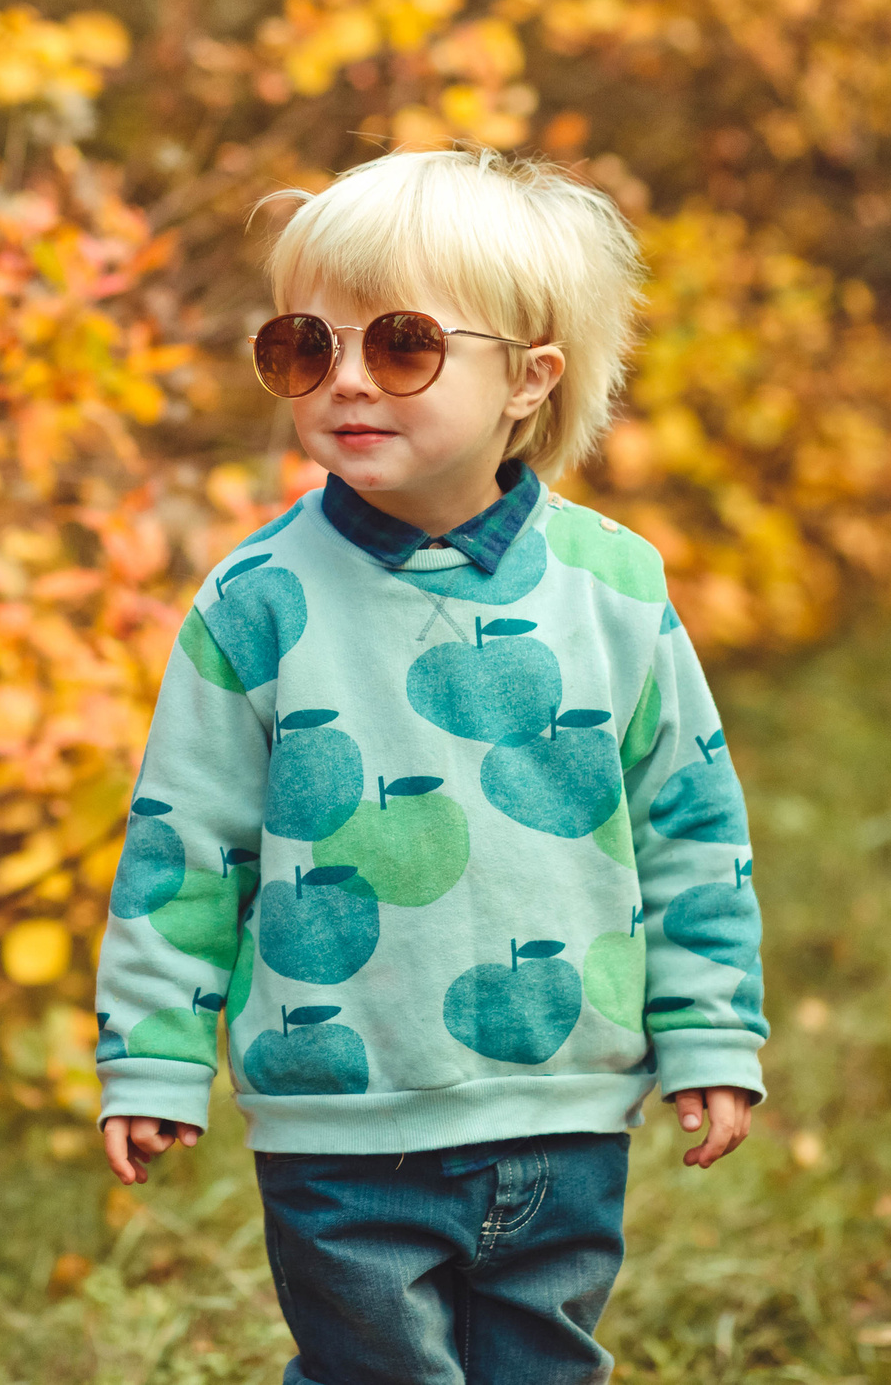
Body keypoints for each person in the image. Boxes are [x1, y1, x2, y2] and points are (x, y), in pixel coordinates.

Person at [93, 147, 767, 1384]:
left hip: (563, 1100)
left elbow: (686, 823)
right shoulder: (257, 599)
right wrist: (152, 1050)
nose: (346, 379)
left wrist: (710, 1028)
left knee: (541, 1366)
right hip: (336, 1116)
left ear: (527, 378)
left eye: (402, 346)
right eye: (305, 347)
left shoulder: (613, 588)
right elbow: (186, 841)